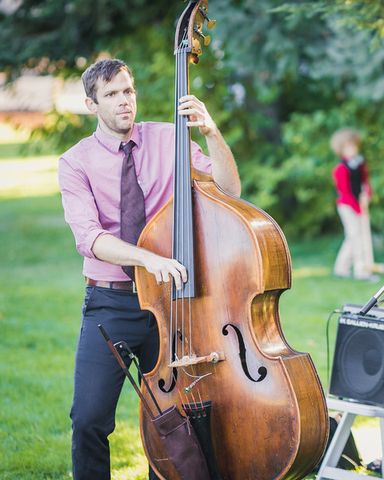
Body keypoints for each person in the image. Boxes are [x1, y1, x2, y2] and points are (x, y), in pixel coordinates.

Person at [58, 58, 241, 479]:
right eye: (112, 95)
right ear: (92, 105)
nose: (124, 102)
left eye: (128, 91)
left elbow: (229, 191)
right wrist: (148, 258)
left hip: (176, 303)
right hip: (112, 302)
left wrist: (211, 132)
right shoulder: (75, 162)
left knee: (188, 413)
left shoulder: (170, 139)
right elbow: (89, 238)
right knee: (88, 418)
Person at [330, 128, 384, 280]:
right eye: (348, 147)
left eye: (354, 146)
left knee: (353, 236)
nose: (352, 149)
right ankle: (361, 271)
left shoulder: (360, 163)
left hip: (359, 204)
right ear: (341, 149)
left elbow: (365, 182)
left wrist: (367, 195)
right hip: (347, 206)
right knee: (356, 237)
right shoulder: (340, 169)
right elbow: (345, 192)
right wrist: (358, 209)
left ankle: (341, 268)